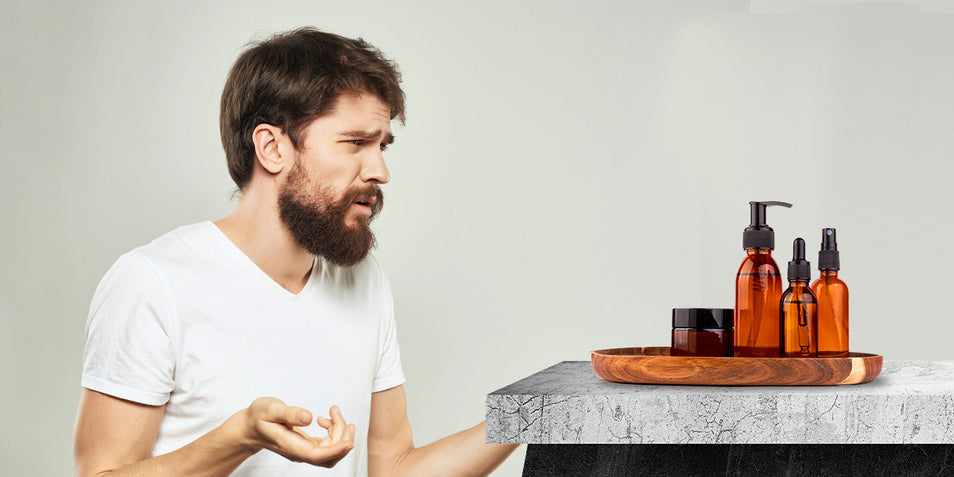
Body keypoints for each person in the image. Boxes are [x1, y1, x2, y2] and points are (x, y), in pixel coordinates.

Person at [73, 27, 519, 476]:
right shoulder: (153, 283)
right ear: (272, 148)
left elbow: (396, 467)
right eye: (355, 142)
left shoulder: (363, 280)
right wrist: (237, 439)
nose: (381, 170)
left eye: (382, 145)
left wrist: (527, 416)